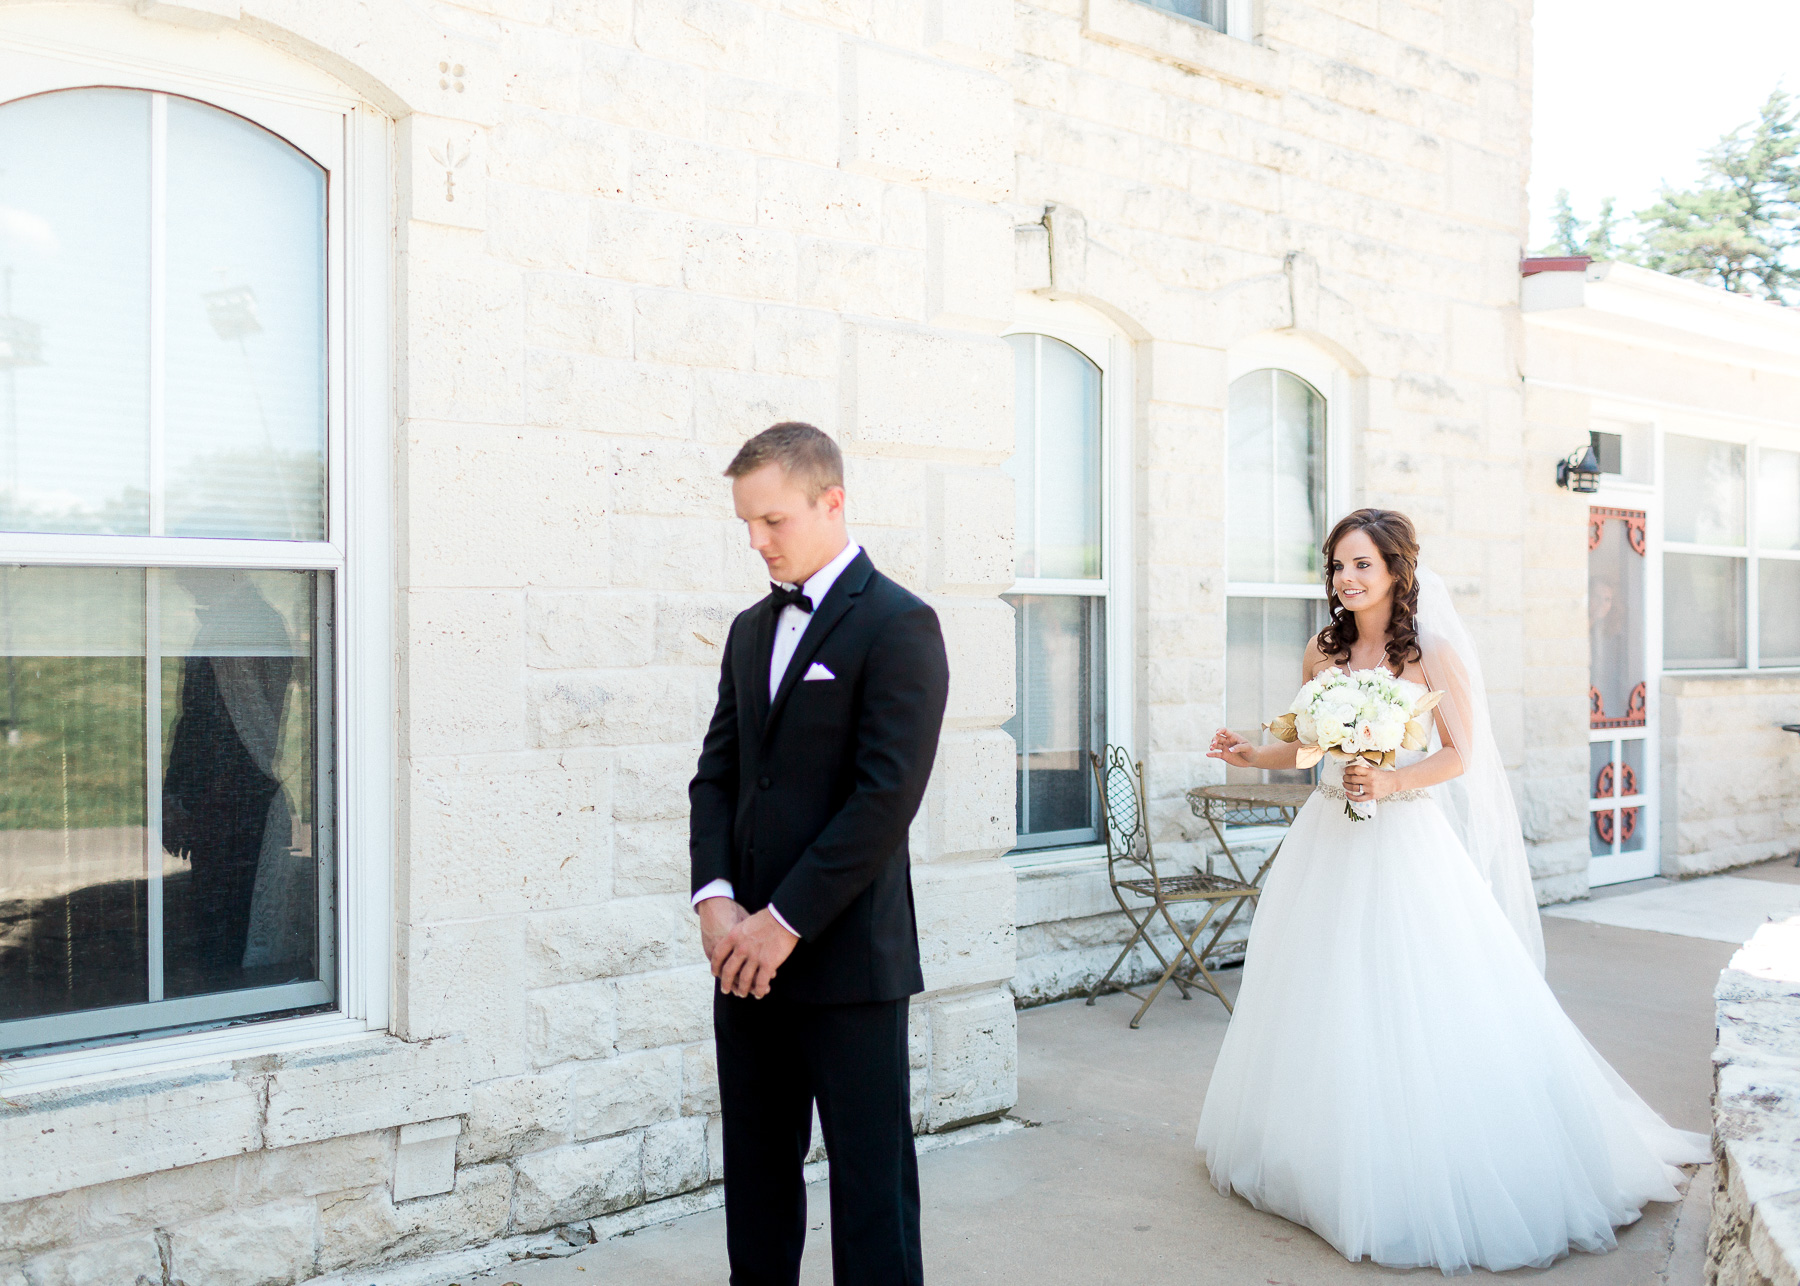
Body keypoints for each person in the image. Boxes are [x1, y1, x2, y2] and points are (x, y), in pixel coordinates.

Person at [1196, 507, 1708, 1276]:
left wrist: (1394, 776)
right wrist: (1249, 752)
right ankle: (1320, 1154)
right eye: (1337, 565)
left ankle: (1410, 1164)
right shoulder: (1322, 650)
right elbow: (1307, 746)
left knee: (1413, 993)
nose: (1347, 579)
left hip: (1402, 838)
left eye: (1362, 564)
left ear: (1397, 571)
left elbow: (1463, 754)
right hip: (1328, 837)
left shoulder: (1430, 650)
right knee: (1323, 992)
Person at [690, 422, 950, 1286]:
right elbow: (717, 779)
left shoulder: (901, 625)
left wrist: (784, 921)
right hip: (744, 965)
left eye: (773, 522)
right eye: (746, 526)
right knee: (756, 1187)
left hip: (848, 962)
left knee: (872, 1194)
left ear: (832, 503)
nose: (757, 543)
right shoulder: (745, 631)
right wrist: (717, 901)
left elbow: (885, 800)